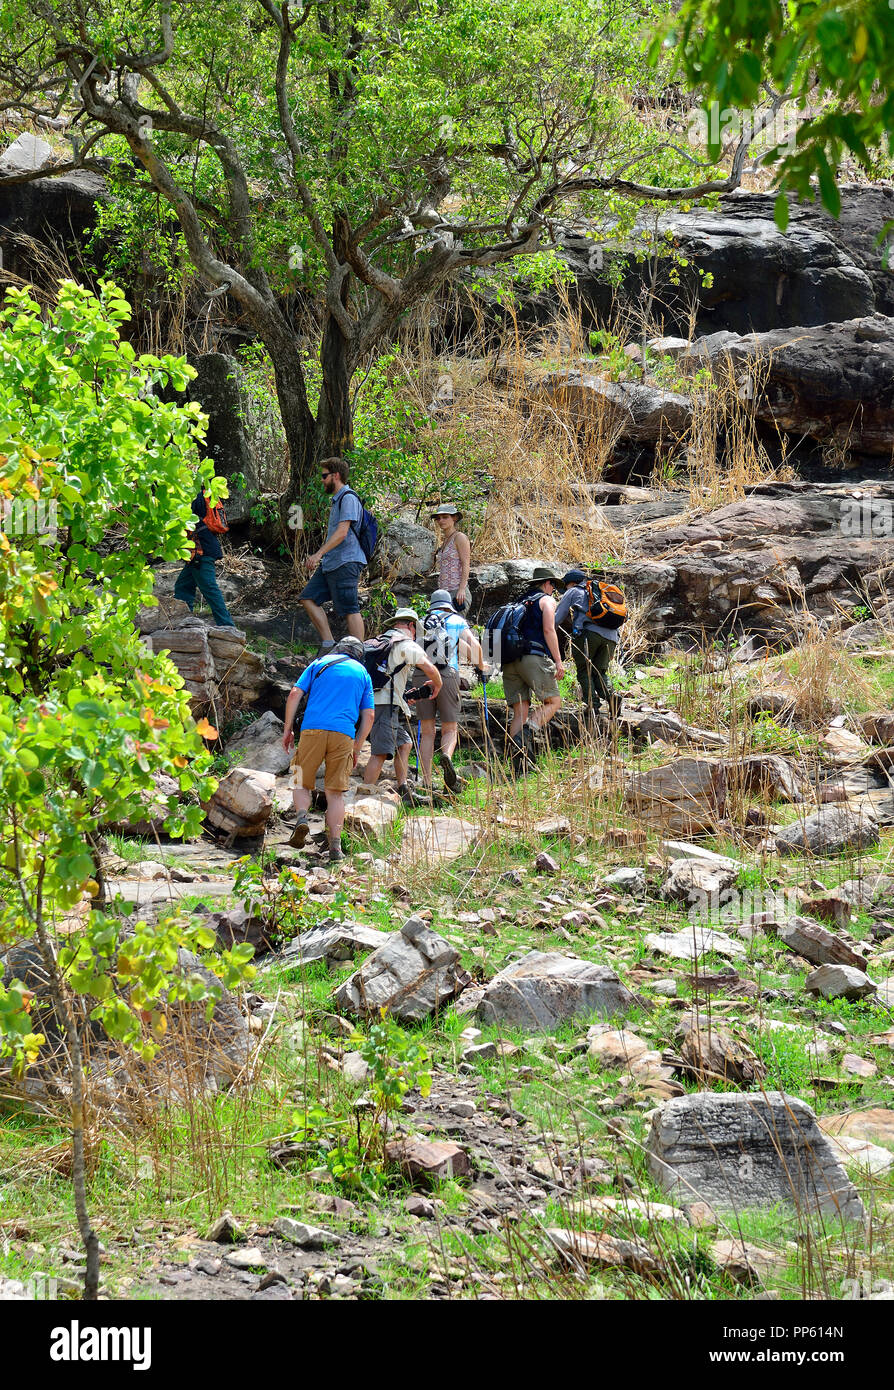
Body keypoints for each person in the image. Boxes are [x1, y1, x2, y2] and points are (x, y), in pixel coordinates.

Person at [281, 636, 376, 864]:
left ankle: (302, 817)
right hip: (343, 734)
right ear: (358, 654)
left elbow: (295, 693)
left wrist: (288, 728)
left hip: (312, 729)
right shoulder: (363, 673)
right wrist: (357, 745)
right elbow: (369, 715)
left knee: (299, 779)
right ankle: (335, 848)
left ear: (338, 648)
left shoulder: (319, 663)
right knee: (335, 793)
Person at [362, 608, 443, 806]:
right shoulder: (404, 642)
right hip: (384, 705)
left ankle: (404, 790)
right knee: (380, 753)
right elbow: (429, 667)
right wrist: (438, 684)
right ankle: (362, 799)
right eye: (416, 631)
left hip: (375, 701)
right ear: (411, 626)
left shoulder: (378, 641)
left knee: (404, 744)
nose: (415, 635)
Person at [417, 590, 487, 794]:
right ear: (449, 605)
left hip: (422, 674)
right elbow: (474, 646)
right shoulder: (456, 620)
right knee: (449, 729)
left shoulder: (421, 621)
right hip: (448, 675)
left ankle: (426, 781)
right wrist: (482, 667)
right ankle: (446, 755)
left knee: (428, 731)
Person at [500, 565, 566, 773]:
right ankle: (527, 732)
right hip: (533, 656)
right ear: (547, 584)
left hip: (509, 661)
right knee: (553, 701)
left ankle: (517, 763)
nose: (553, 590)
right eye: (553, 585)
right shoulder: (546, 600)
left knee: (520, 709)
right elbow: (548, 629)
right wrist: (558, 660)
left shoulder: (518, 602)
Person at [300, 457, 366, 651]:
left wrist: (318, 554)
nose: (322, 480)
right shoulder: (338, 500)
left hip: (345, 562)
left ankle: (358, 654)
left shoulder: (348, 498)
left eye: (324, 475)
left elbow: (342, 532)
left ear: (335, 476)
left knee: (349, 609)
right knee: (308, 597)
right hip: (332, 562)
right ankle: (329, 644)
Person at [555, 569, 623, 724]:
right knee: (600, 671)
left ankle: (592, 706)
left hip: (588, 634)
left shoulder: (573, 591)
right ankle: (612, 697)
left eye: (565, 586)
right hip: (612, 637)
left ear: (571, 583)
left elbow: (557, 618)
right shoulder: (602, 591)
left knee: (584, 669)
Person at [173, 490, 236, 627]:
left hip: (201, 552)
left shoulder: (193, 497)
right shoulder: (201, 495)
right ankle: (182, 622)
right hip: (199, 551)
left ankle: (227, 626)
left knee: (209, 588)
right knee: (183, 586)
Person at [432, 503, 471, 614]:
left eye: (445, 517)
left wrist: (462, 589)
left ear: (454, 518)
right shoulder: (445, 541)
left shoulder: (460, 537)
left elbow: (466, 564)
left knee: (456, 626)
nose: (441, 521)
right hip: (444, 593)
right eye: (438, 518)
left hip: (457, 592)